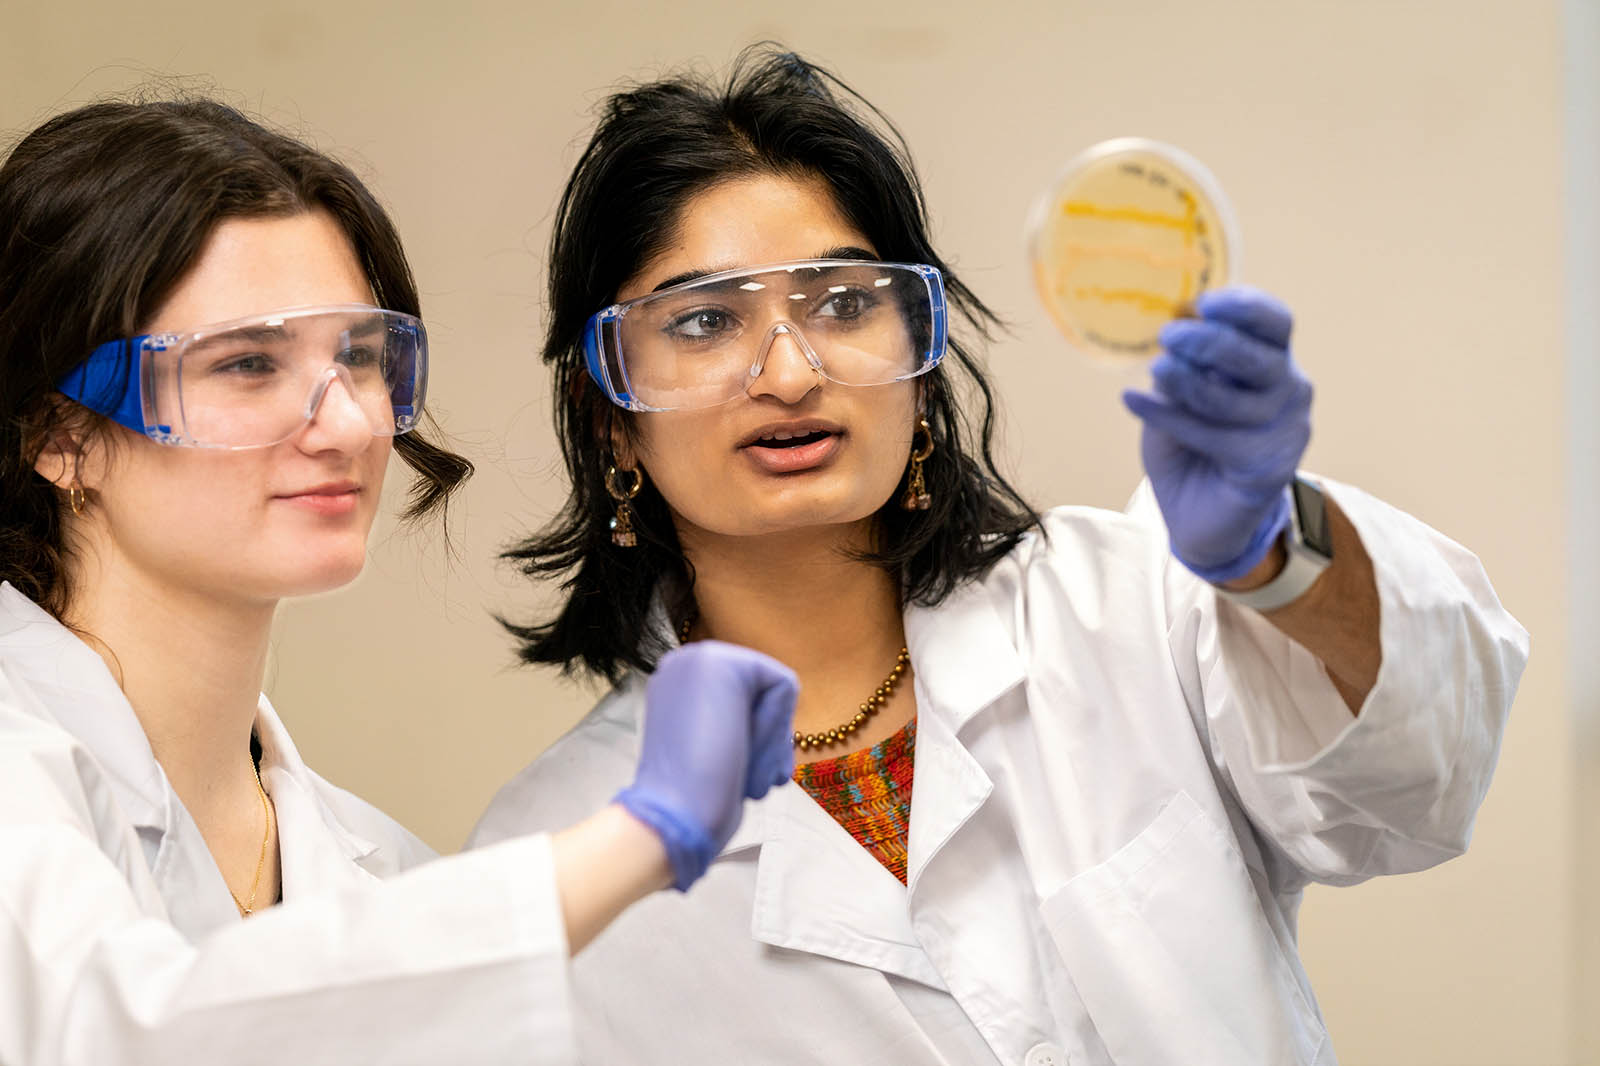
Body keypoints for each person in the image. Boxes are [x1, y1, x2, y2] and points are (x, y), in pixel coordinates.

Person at [473, 48, 1530, 1065]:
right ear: (609, 411)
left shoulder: (1120, 611)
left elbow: (1416, 787)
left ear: (921, 361)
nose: (790, 372)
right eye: (704, 320)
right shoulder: (554, 848)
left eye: (844, 304)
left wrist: (1273, 561)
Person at [0, 97, 798, 1066]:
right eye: (249, 362)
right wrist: (634, 839)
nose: (345, 425)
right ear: (59, 433)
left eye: (363, 357)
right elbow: (127, 1032)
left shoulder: (381, 871)